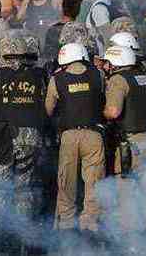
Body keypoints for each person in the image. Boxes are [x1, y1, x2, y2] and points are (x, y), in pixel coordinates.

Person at [0, 32, 47, 254]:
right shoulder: (38, 76)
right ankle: (23, 237)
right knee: (24, 188)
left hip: (5, 138)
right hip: (32, 139)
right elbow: (44, 106)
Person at [45, 43, 105, 239]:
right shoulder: (98, 74)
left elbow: (48, 110)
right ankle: (90, 224)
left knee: (66, 182)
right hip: (94, 135)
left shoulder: (57, 79)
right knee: (94, 183)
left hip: (69, 136)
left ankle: (66, 224)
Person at [103, 44, 146, 239]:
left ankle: (129, 235)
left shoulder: (118, 79)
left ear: (116, 62)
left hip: (130, 143)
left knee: (126, 187)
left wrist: (97, 113)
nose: (107, 67)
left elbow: (113, 112)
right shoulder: (143, 77)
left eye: (108, 63)